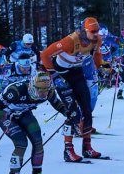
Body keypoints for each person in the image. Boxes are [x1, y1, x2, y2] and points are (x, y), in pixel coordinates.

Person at [0, 71, 77, 174]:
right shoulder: (15, 91)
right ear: (32, 86)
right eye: (40, 90)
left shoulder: (49, 90)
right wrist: (8, 115)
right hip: (6, 115)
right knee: (21, 143)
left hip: (24, 112)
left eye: (46, 90)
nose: (43, 93)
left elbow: (56, 102)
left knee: (38, 141)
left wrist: (65, 111)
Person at [40, 18, 105, 162]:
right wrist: (54, 74)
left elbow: (97, 54)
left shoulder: (97, 41)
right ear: (85, 30)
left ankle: (87, 147)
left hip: (77, 73)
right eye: (93, 31)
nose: (96, 34)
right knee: (73, 113)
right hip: (62, 76)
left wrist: (99, 68)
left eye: (98, 31)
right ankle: (68, 150)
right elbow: (44, 54)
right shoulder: (70, 41)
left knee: (87, 110)